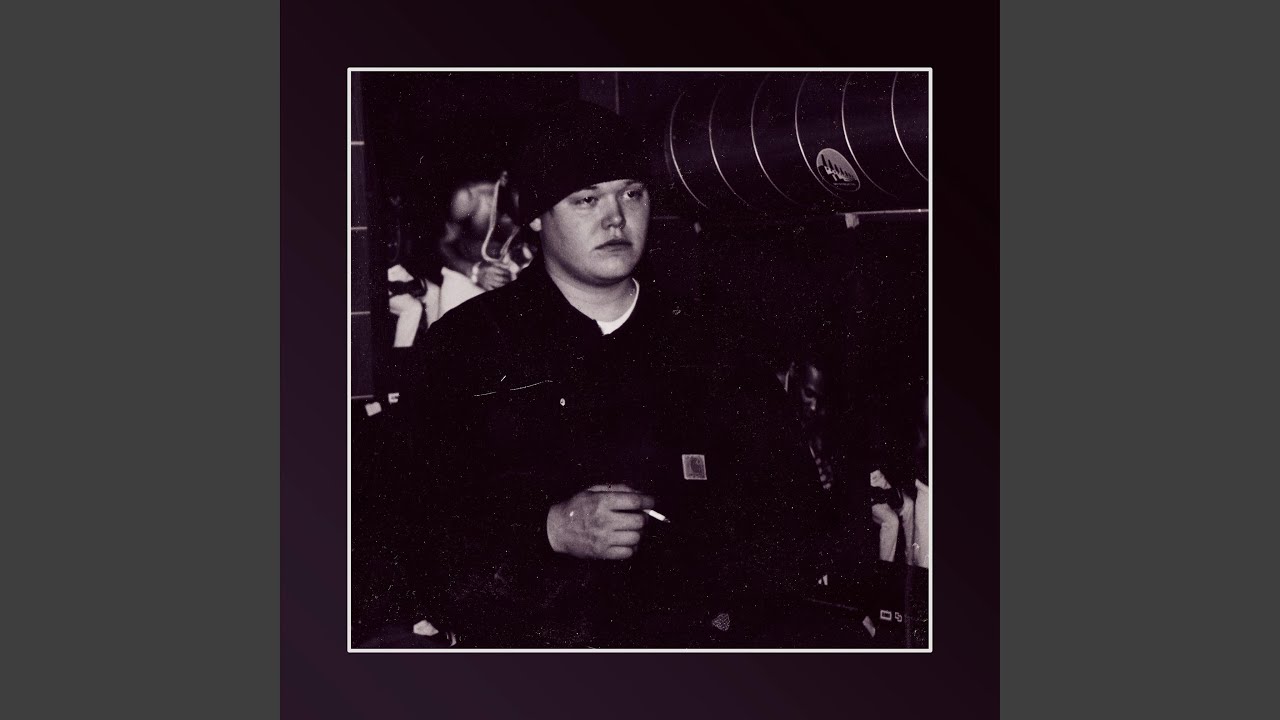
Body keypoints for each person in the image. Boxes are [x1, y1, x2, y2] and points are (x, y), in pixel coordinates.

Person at [392, 100, 834, 648]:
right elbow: (415, 537)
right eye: (586, 199)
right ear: (536, 216)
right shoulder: (466, 350)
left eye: (632, 193)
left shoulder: (714, 348)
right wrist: (549, 530)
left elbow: (792, 523)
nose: (616, 219)